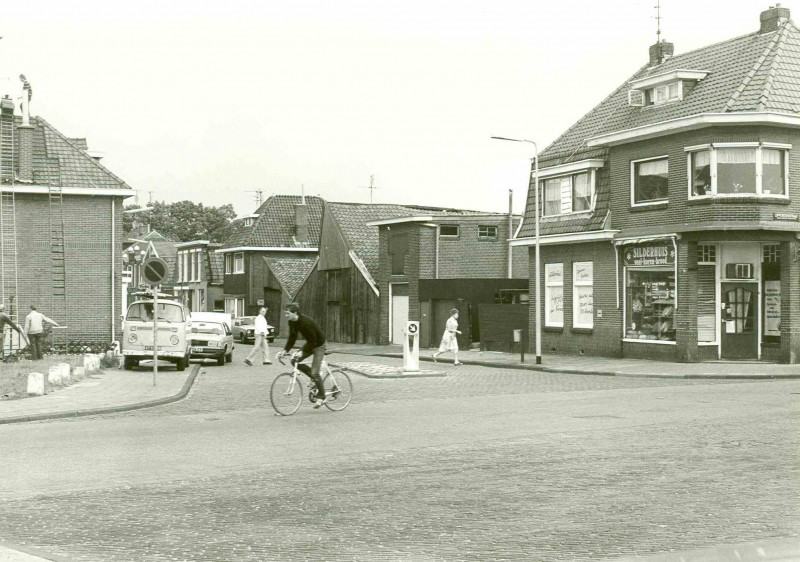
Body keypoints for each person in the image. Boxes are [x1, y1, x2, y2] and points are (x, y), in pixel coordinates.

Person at [276, 303, 327, 408]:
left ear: (295, 313)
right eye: (285, 313)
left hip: (319, 344)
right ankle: (313, 379)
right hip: (310, 344)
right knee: (294, 361)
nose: (286, 316)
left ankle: (322, 397)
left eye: (287, 313)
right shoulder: (292, 322)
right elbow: (292, 337)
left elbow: (314, 340)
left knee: (315, 372)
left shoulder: (305, 322)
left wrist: (302, 351)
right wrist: (285, 350)